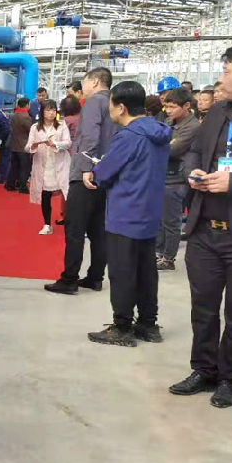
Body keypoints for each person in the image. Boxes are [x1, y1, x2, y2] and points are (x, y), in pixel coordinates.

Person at [169, 42, 232, 409]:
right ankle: (203, 369)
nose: (220, 79)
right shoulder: (218, 113)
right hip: (204, 229)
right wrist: (193, 173)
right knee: (202, 307)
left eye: (227, 71)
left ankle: (230, 378)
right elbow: (193, 153)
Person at [86, 82, 171, 347]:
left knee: (122, 272)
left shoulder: (128, 136)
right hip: (149, 212)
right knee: (146, 272)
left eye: (111, 104)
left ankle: (122, 327)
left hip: (125, 212)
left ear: (121, 107)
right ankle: (148, 324)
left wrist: (94, 172)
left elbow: (106, 173)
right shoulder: (159, 131)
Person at [45, 67, 115, 295]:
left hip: (86, 175)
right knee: (98, 230)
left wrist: (85, 167)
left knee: (75, 229)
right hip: (105, 173)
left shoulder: (94, 102)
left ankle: (69, 279)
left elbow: (90, 137)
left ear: (94, 82)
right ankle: (95, 277)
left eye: (84, 82)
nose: (81, 88)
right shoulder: (114, 103)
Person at [156, 88, 200, 270]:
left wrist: (164, 144)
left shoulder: (193, 126)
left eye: (172, 107)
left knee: (171, 221)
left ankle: (168, 258)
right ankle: (159, 253)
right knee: (160, 219)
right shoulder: (169, 121)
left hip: (178, 178)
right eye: (166, 107)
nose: (168, 111)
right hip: (163, 175)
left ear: (186, 105)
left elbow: (172, 150)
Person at [26, 99, 71, 234]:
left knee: (67, 193)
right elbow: (28, 146)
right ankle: (47, 224)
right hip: (43, 165)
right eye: (48, 110)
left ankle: (72, 222)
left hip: (60, 163)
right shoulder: (35, 127)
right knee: (45, 195)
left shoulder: (61, 125)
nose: (51, 113)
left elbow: (68, 143)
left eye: (53, 110)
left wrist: (56, 144)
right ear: (42, 112)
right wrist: (33, 146)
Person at [57, 95, 82, 224]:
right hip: (82, 155)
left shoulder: (66, 121)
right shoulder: (83, 118)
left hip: (68, 155)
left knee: (65, 186)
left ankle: (65, 214)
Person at [5, 97, 33, 194]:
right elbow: (31, 130)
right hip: (23, 146)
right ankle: (22, 186)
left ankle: (10, 184)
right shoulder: (26, 117)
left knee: (14, 166)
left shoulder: (14, 115)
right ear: (27, 105)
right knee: (25, 167)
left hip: (14, 144)